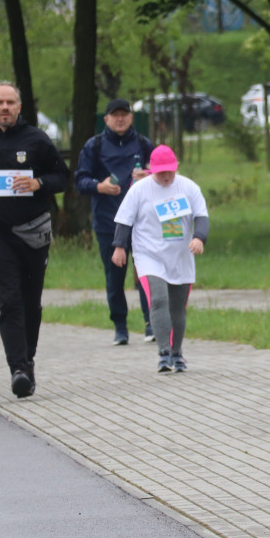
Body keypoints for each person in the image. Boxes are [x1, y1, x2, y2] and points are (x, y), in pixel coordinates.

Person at [0, 81, 71, 399]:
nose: (5, 108)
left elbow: (62, 176)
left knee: (30, 303)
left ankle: (28, 360)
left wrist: (37, 182)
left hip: (33, 231)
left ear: (19, 107)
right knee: (9, 302)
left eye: (10, 102)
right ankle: (18, 369)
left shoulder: (36, 139)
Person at [111, 145, 208, 373]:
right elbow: (124, 220)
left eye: (169, 172)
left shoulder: (189, 187)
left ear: (176, 168)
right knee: (159, 300)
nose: (165, 176)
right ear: (151, 170)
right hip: (149, 255)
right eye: (160, 172)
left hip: (181, 255)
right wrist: (119, 247)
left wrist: (199, 238)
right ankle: (163, 353)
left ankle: (177, 354)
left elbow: (202, 216)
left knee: (178, 308)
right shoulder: (139, 190)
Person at [75, 98, 156, 345]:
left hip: (142, 223)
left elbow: (164, 174)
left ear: (131, 117)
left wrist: (148, 176)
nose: (120, 119)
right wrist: (99, 186)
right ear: (106, 119)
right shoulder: (94, 145)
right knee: (114, 276)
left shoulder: (143, 143)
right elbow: (80, 181)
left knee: (146, 273)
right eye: (115, 115)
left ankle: (151, 324)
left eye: (124, 114)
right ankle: (120, 327)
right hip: (107, 222)